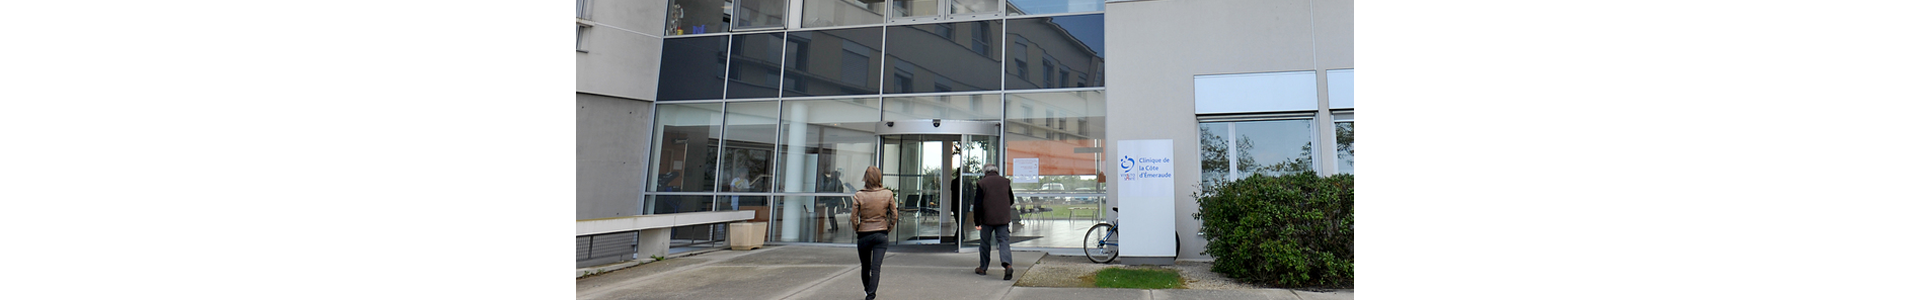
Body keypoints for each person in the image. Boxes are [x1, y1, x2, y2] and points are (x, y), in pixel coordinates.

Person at [849, 166, 897, 300]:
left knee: (865, 266)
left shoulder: (859, 195)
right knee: (876, 267)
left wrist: (857, 228)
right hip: (881, 233)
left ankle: (867, 290)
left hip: (864, 233)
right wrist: (888, 227)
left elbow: (853, 217)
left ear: (865, 178)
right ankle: (871, 295)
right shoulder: (887, 194)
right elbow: (894, 215)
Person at [971, 164, 1016, 280]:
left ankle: (983, 267)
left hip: (987, 219)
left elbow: (978, 204)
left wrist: (977, 221)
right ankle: (1007, 264)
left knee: (985, 243)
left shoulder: (982, 183)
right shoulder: (1005, 182)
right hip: (1003, 218)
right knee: (1004, 241)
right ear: (996, 171)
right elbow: (1011, 199)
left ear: (985, 172)